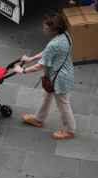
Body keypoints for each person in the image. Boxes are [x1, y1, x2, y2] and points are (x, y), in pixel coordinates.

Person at [13, 12, 76, 140]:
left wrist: (23, 70)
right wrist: (32, 58)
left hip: (59, 79)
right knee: (46, 96)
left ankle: (70, 130)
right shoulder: (65, 35)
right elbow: (48, 51)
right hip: (63, 73)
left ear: (55, 29)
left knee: (63, 104)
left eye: (46, 27)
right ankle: (38, 119)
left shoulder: (55, 43)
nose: (43, 29)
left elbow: (40, 65)